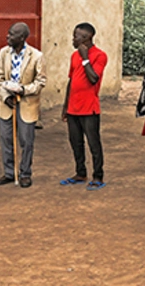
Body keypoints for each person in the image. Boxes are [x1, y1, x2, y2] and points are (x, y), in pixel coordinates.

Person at [0, 22, 47, 188]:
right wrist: (5, 96)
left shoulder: (36, 56)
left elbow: (41, 81)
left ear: (22, 38)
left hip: (27, 104)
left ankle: (25, 173)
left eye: (11, 34)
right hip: (7, 104)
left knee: (26, 141)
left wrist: (24, 90)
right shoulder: (3, 53)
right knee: (6, 139)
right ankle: (10, 172)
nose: (7, 37)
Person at [60, 23, 108, 190]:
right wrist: (65, 106)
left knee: (93, 143)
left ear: (86, 38)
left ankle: (98, 176)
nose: (73, 39)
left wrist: (85, 57)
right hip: (73, 107)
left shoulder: (100, 55)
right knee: (75, 142)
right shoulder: (74, 56)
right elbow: (71, 81)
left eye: (76, 36)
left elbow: (93, 78)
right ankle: (80, 173)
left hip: (90, 108)